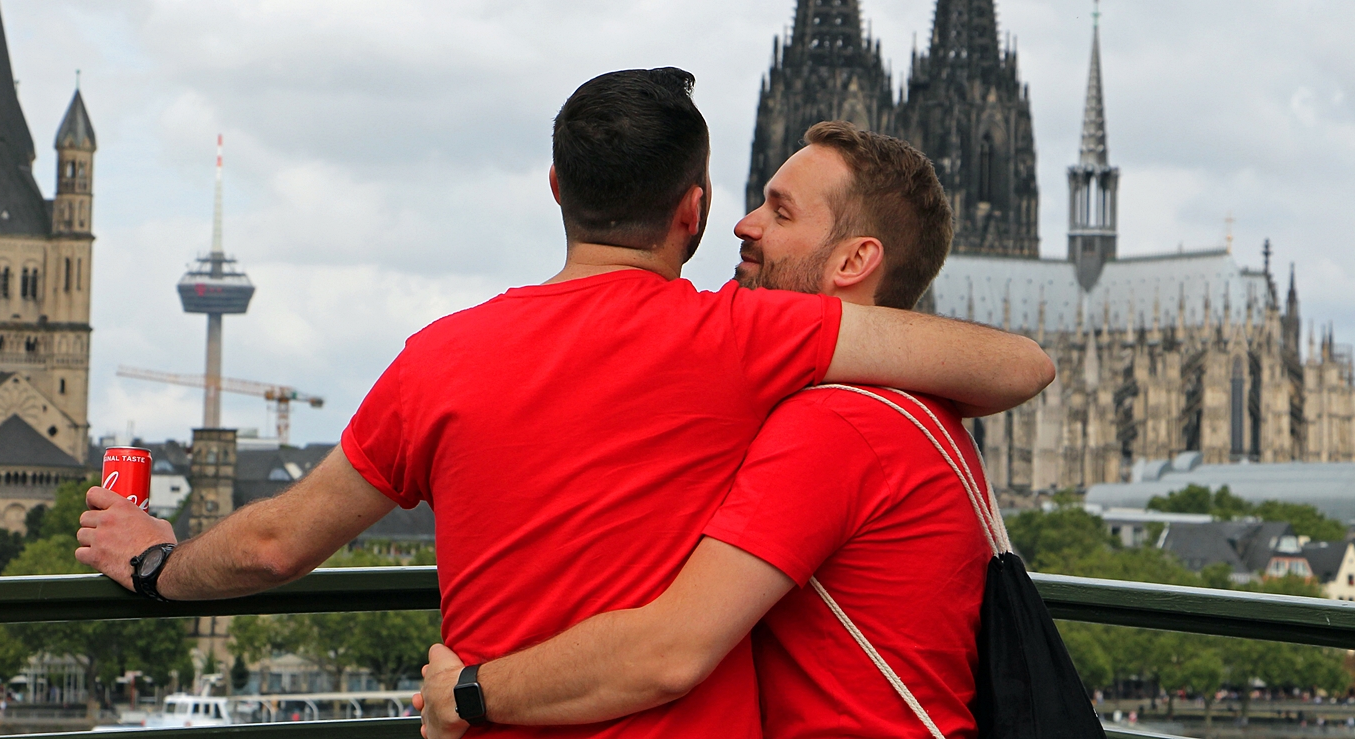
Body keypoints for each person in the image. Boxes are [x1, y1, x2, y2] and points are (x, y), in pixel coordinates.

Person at [77, 71, 1053, 739]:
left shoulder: (440, 357)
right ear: (693, 209)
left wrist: (156, 563)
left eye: (780, 210)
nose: (751, 227)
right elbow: (1015, 364)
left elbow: (272, 545)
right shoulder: (743, 339)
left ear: (554, 186)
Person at [417, 123, 999, 738]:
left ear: (855, 260)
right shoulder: (914, 406)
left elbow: (669, 653)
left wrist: (467, 692)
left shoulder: (834, 422)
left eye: (780, 213)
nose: (745, 225)